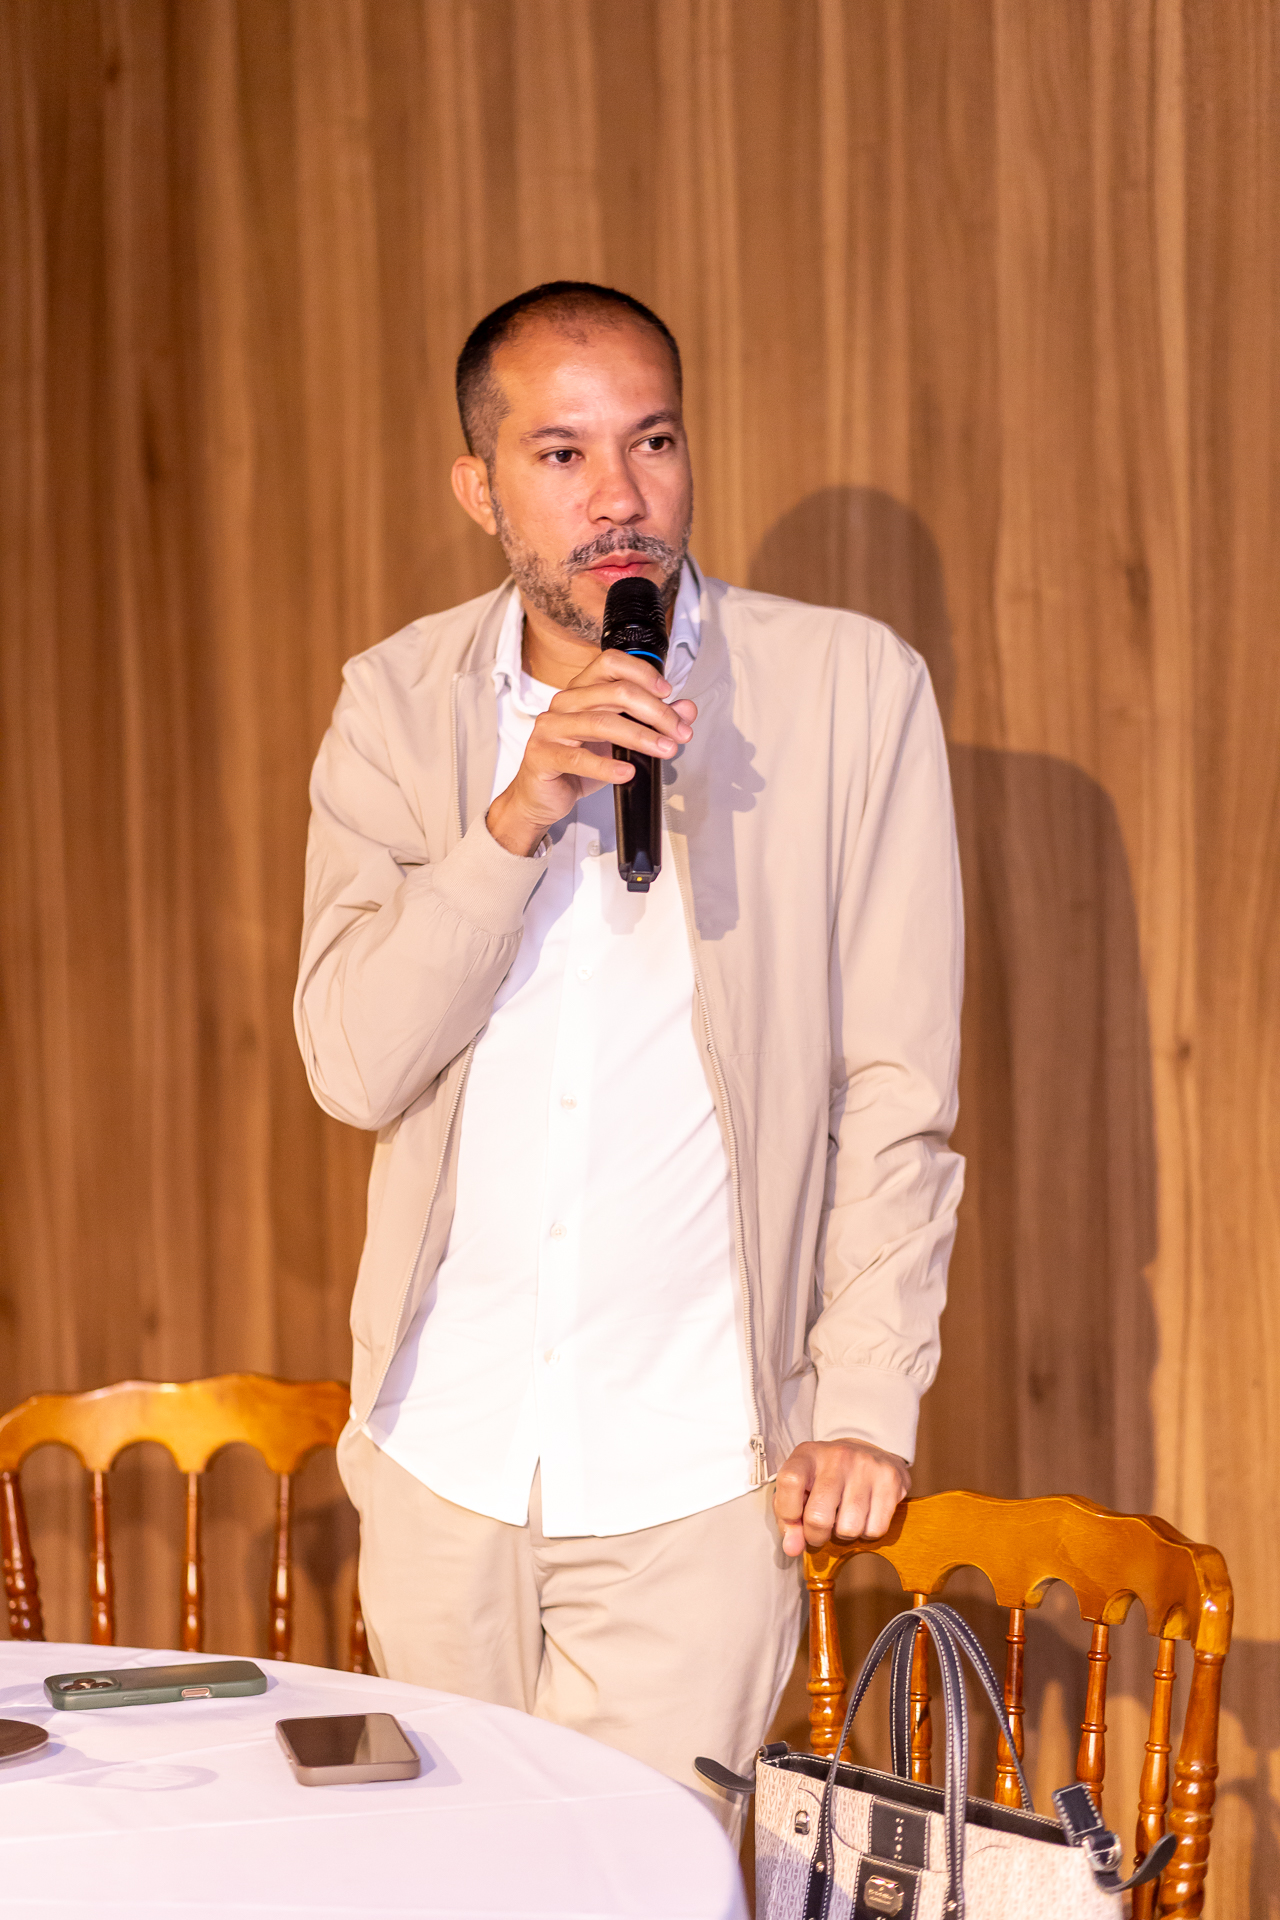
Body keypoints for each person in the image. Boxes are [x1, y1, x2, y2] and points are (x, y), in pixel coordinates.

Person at [294, 281, 963, 1831]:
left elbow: (896, 1090)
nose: (621, 499)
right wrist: (512, 821)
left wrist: (867, 1389)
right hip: (443, 1457)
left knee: (645, 1884)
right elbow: (354, 1066)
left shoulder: (850, 691)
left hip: (696, 1477)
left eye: (652, 442)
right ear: (479, 487)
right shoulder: (394, 706)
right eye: (563, 454)